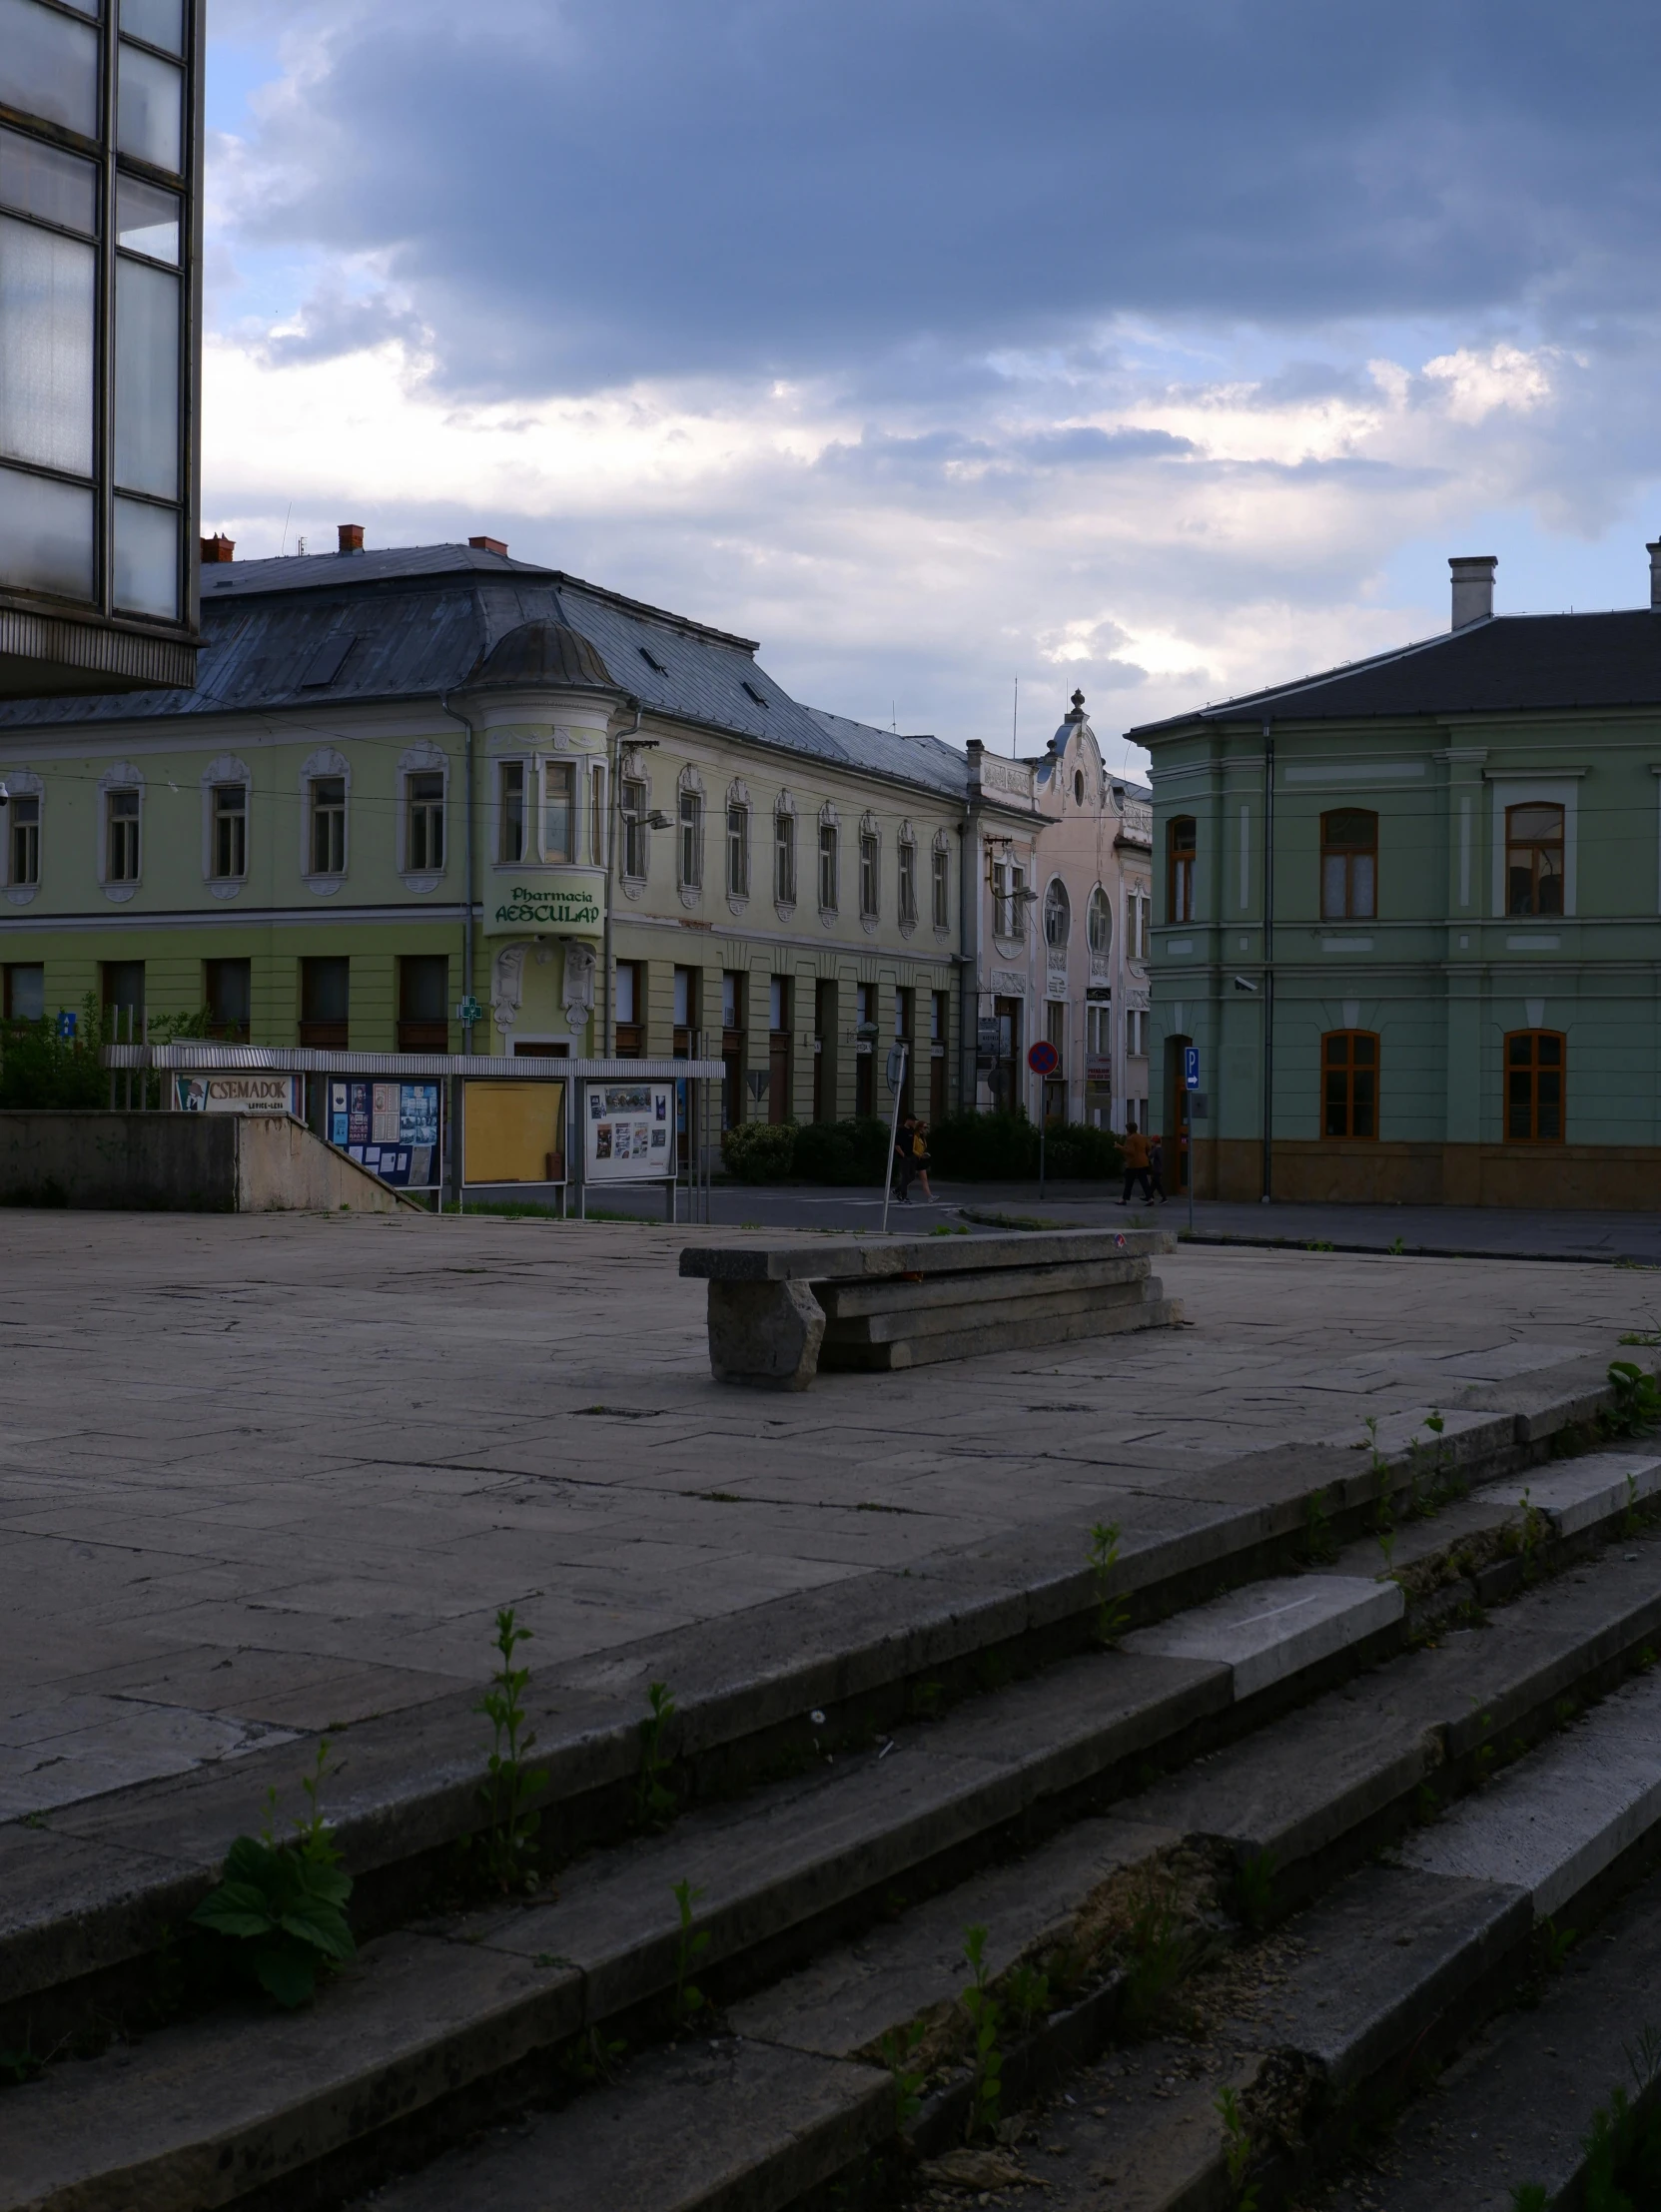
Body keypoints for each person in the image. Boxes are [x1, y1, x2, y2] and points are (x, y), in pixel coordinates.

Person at [1119, 1116, 1153, 1204]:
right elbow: (1148, 1147)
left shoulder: (1130, 1139)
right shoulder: (1142, 1137)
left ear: (1128, 1130)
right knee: (1144, 1182)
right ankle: (1150, 1199)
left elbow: (1130, 1152)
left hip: (1133, 1163)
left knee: (1129, 1182)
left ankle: (1124, 1199)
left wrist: (1119, 1147)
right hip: (1143, 1162)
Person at [1148, 1134, 1168, 1202]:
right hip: (1160, 1168)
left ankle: (1164, 1197)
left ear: (1155, 1142)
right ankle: (1149, 1195)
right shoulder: (1161, 1149)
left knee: (1157, 1184)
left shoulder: (1155, 1149)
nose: (1152, 1143)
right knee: (1154, 1184)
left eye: (1152, 1142)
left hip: (1156, 1169)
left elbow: (1150, 1156)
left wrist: (1151, 1149)